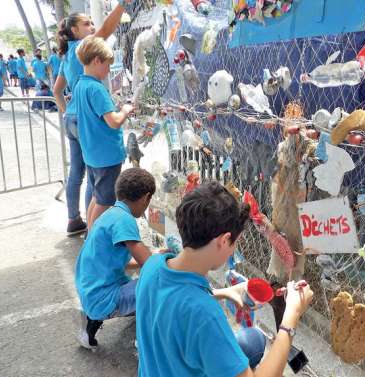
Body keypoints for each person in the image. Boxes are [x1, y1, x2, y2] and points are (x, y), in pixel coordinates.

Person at [136, 181, 315, 377]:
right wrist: (290, 317)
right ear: (223, 240)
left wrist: (224, 292)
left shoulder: (153, 265)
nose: (234, 249)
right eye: (234, 243)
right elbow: (194, 312)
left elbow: (174, 301)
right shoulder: (205, 316)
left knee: (253, 339)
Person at [54, 2, 132, 235]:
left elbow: (57, 90)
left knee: (79, 173)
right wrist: (123, 5)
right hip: (88, 123)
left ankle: (74, 220)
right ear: (74, 31)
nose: (92, 26)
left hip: (73, 119)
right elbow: (106, 33)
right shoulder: (83, 49)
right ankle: (94, 231)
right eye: (86, 23)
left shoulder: (68, 55)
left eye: (92, 23)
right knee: (97, 184)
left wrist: (68, 112)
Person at [74, 167, 156, 350]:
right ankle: (147, 342)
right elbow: (150, 266)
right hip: (104, 296)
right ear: (146, 198)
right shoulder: (125, 220)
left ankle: (91, 317)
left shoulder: (110, 215)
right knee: (159, 286)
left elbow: (124, 262)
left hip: (89, 290)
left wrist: (155, 257)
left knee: (141, 291)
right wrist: (173, 263)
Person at [74, 35, 134, 229]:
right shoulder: (96, 88)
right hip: (106, 156)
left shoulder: (80, 85)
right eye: (108, 65)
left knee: (97, 196)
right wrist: (126, 109)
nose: (108, 70)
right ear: (97, 60)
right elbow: (114, 122)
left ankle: (90, 235)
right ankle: (94, 241)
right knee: (105, 200)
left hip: (92, 154)